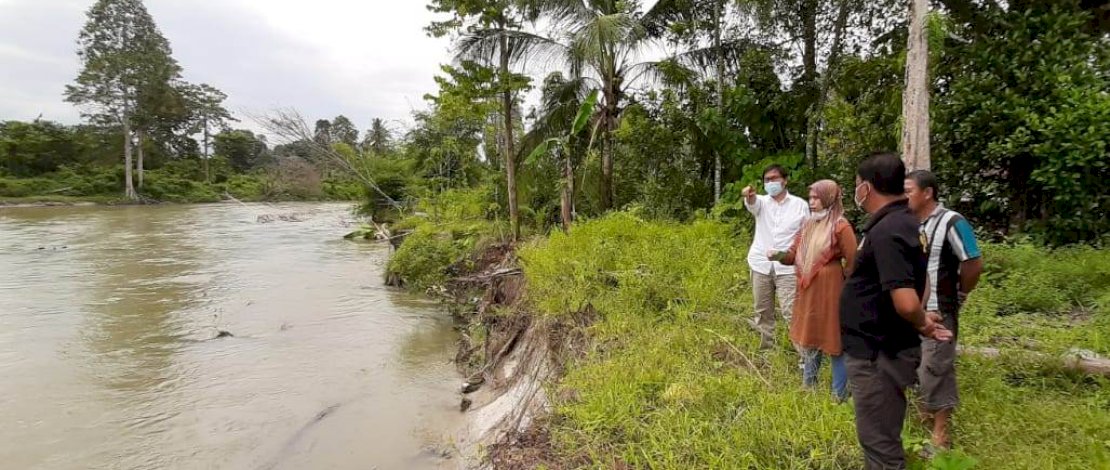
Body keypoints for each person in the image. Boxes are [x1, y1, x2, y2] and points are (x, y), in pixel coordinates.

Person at [839, 152, 953, 470]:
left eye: (857, 184)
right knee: (880, 435)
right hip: (882, 346)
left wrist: (921, 321)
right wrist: (919, 316)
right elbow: (921, 281)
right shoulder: (906, 223)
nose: (856, 191)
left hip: (878, 353)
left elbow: (905, 298)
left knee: (879, 443)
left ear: (867, 187)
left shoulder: (889, 229)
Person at [905, 170, 983, 451]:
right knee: (915, 364)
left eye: (909, 191)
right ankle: (925, 412)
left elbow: (973, 262)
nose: (904, 196)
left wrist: (960, 293)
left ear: (927, 193)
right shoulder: (909, 223)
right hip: (912, 309)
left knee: (936, 366)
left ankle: (941, 433)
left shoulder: (952, 222)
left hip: (939, 308)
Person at [775, 180, 857, 401]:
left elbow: (853, 259)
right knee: (811, 334)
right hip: (808, 287)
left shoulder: (840, 226)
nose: (811, 202)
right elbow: (793, 254)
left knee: (834, 337)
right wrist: (779, 255)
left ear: (829, 198)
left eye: (816, 198)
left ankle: (838, 393)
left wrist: (846, 282)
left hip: (831, 288)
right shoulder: (809, 224)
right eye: (810, 198)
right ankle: (808, 385)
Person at [742, 164, 809, 349]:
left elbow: (806, 235)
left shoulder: (800, 205)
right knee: (762, 311)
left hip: (788, 267)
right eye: (767, 180)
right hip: (760, 265)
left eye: (774, 178)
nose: (770, 182)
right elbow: (752, 203)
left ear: (785, 181)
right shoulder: (761, 202)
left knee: (791, 312)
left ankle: (804, 356)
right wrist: (749, 195)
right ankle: (766, 350)